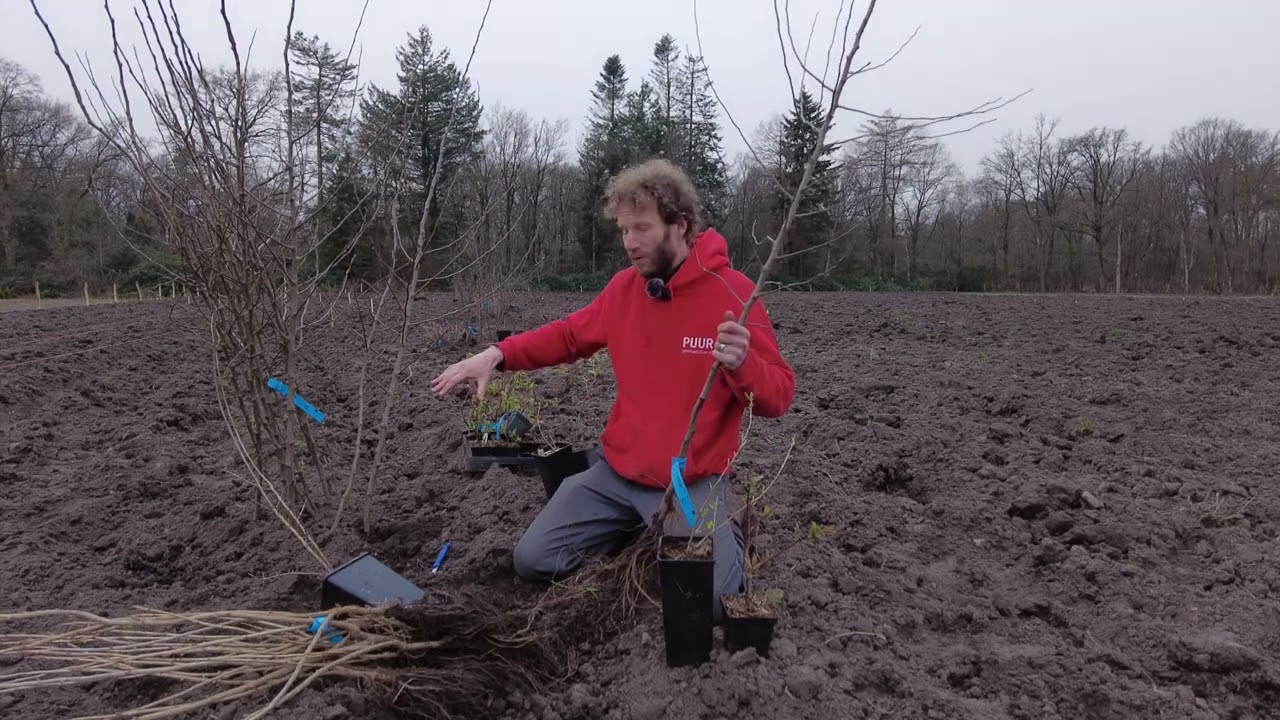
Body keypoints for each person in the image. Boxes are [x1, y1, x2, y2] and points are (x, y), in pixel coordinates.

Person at [431, 158, 795, 617]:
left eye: (641, 228)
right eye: (624, 230)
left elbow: (778, 395)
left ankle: (724, 529)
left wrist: (743, 365)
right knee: (534, 560)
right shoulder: (626, 289)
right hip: (615, 474)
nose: (630, 243)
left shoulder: (734, 295)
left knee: (716, 604)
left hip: (689, 484)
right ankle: (635, 528)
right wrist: (499, 355)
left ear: (680, 226)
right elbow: (568, 336)